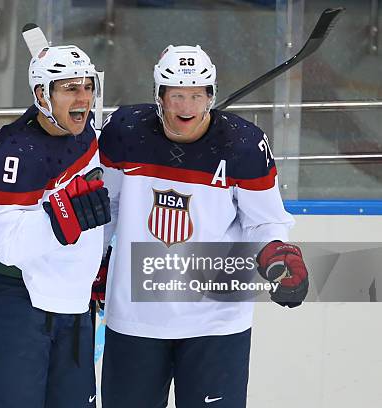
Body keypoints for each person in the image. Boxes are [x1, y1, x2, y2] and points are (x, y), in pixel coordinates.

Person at [96, 45, 308, 408]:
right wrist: (92, 262)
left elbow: (266, 219)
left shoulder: (243, 144)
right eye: (176, 95)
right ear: (158, 96)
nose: (187, 106)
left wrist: (277, 250)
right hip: (136, 316)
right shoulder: (125, 132)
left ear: (211, 96)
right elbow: (107, 206)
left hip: (217, 320)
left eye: (197, 95)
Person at [0, 44, 111, 407]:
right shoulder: (15, 150)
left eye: (88, 87)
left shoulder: (85, 134)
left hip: (70, 307)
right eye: (71, 88)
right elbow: (4, 243)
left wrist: (99, 260)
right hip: (12, 308)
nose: (84, 98)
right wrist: (60, 220)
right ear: (42, 94)